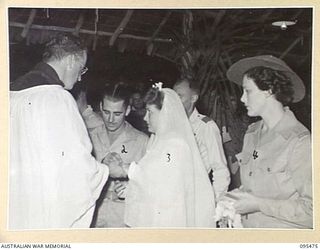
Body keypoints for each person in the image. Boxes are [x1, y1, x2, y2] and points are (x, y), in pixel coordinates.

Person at [9, 33, 110, 229]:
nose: (80, 77)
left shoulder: (12, 92)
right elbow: (75, 165)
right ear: (72, 60)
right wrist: (103, 170)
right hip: (44, 207)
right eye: (82, 68)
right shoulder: (56, 97)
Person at [225, 55, 312, 228]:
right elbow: (256, 185)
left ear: (269, 91)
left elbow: (313, 211)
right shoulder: (251, 133)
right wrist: (235, 197)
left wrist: (259, 204)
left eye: (247, 91)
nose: (242, 99)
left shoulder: (300, 141)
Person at [124, 83, 216, 227]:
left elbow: (165, 186)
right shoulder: (158, 141)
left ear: (165, 113)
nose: (145, 118)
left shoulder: (175, 145)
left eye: (150, 112)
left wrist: (128, 170)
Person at [79, 83, 149, 228]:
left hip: (123, 219)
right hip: (92, 215)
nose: (110, 119)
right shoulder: (89, 136)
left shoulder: (142, 141)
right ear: (100, 107)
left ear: (128, 110)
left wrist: (130, 185)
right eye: (106, 112)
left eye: (117, 114)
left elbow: (150, 182)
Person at [173, 78, 230, 200]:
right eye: (173, 97)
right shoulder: (170, 126)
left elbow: (220, 169)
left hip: (196, 195)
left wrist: (214, 202)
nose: (174, 102)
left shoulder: (206, 126)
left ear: (193, 98)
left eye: (180, 97)